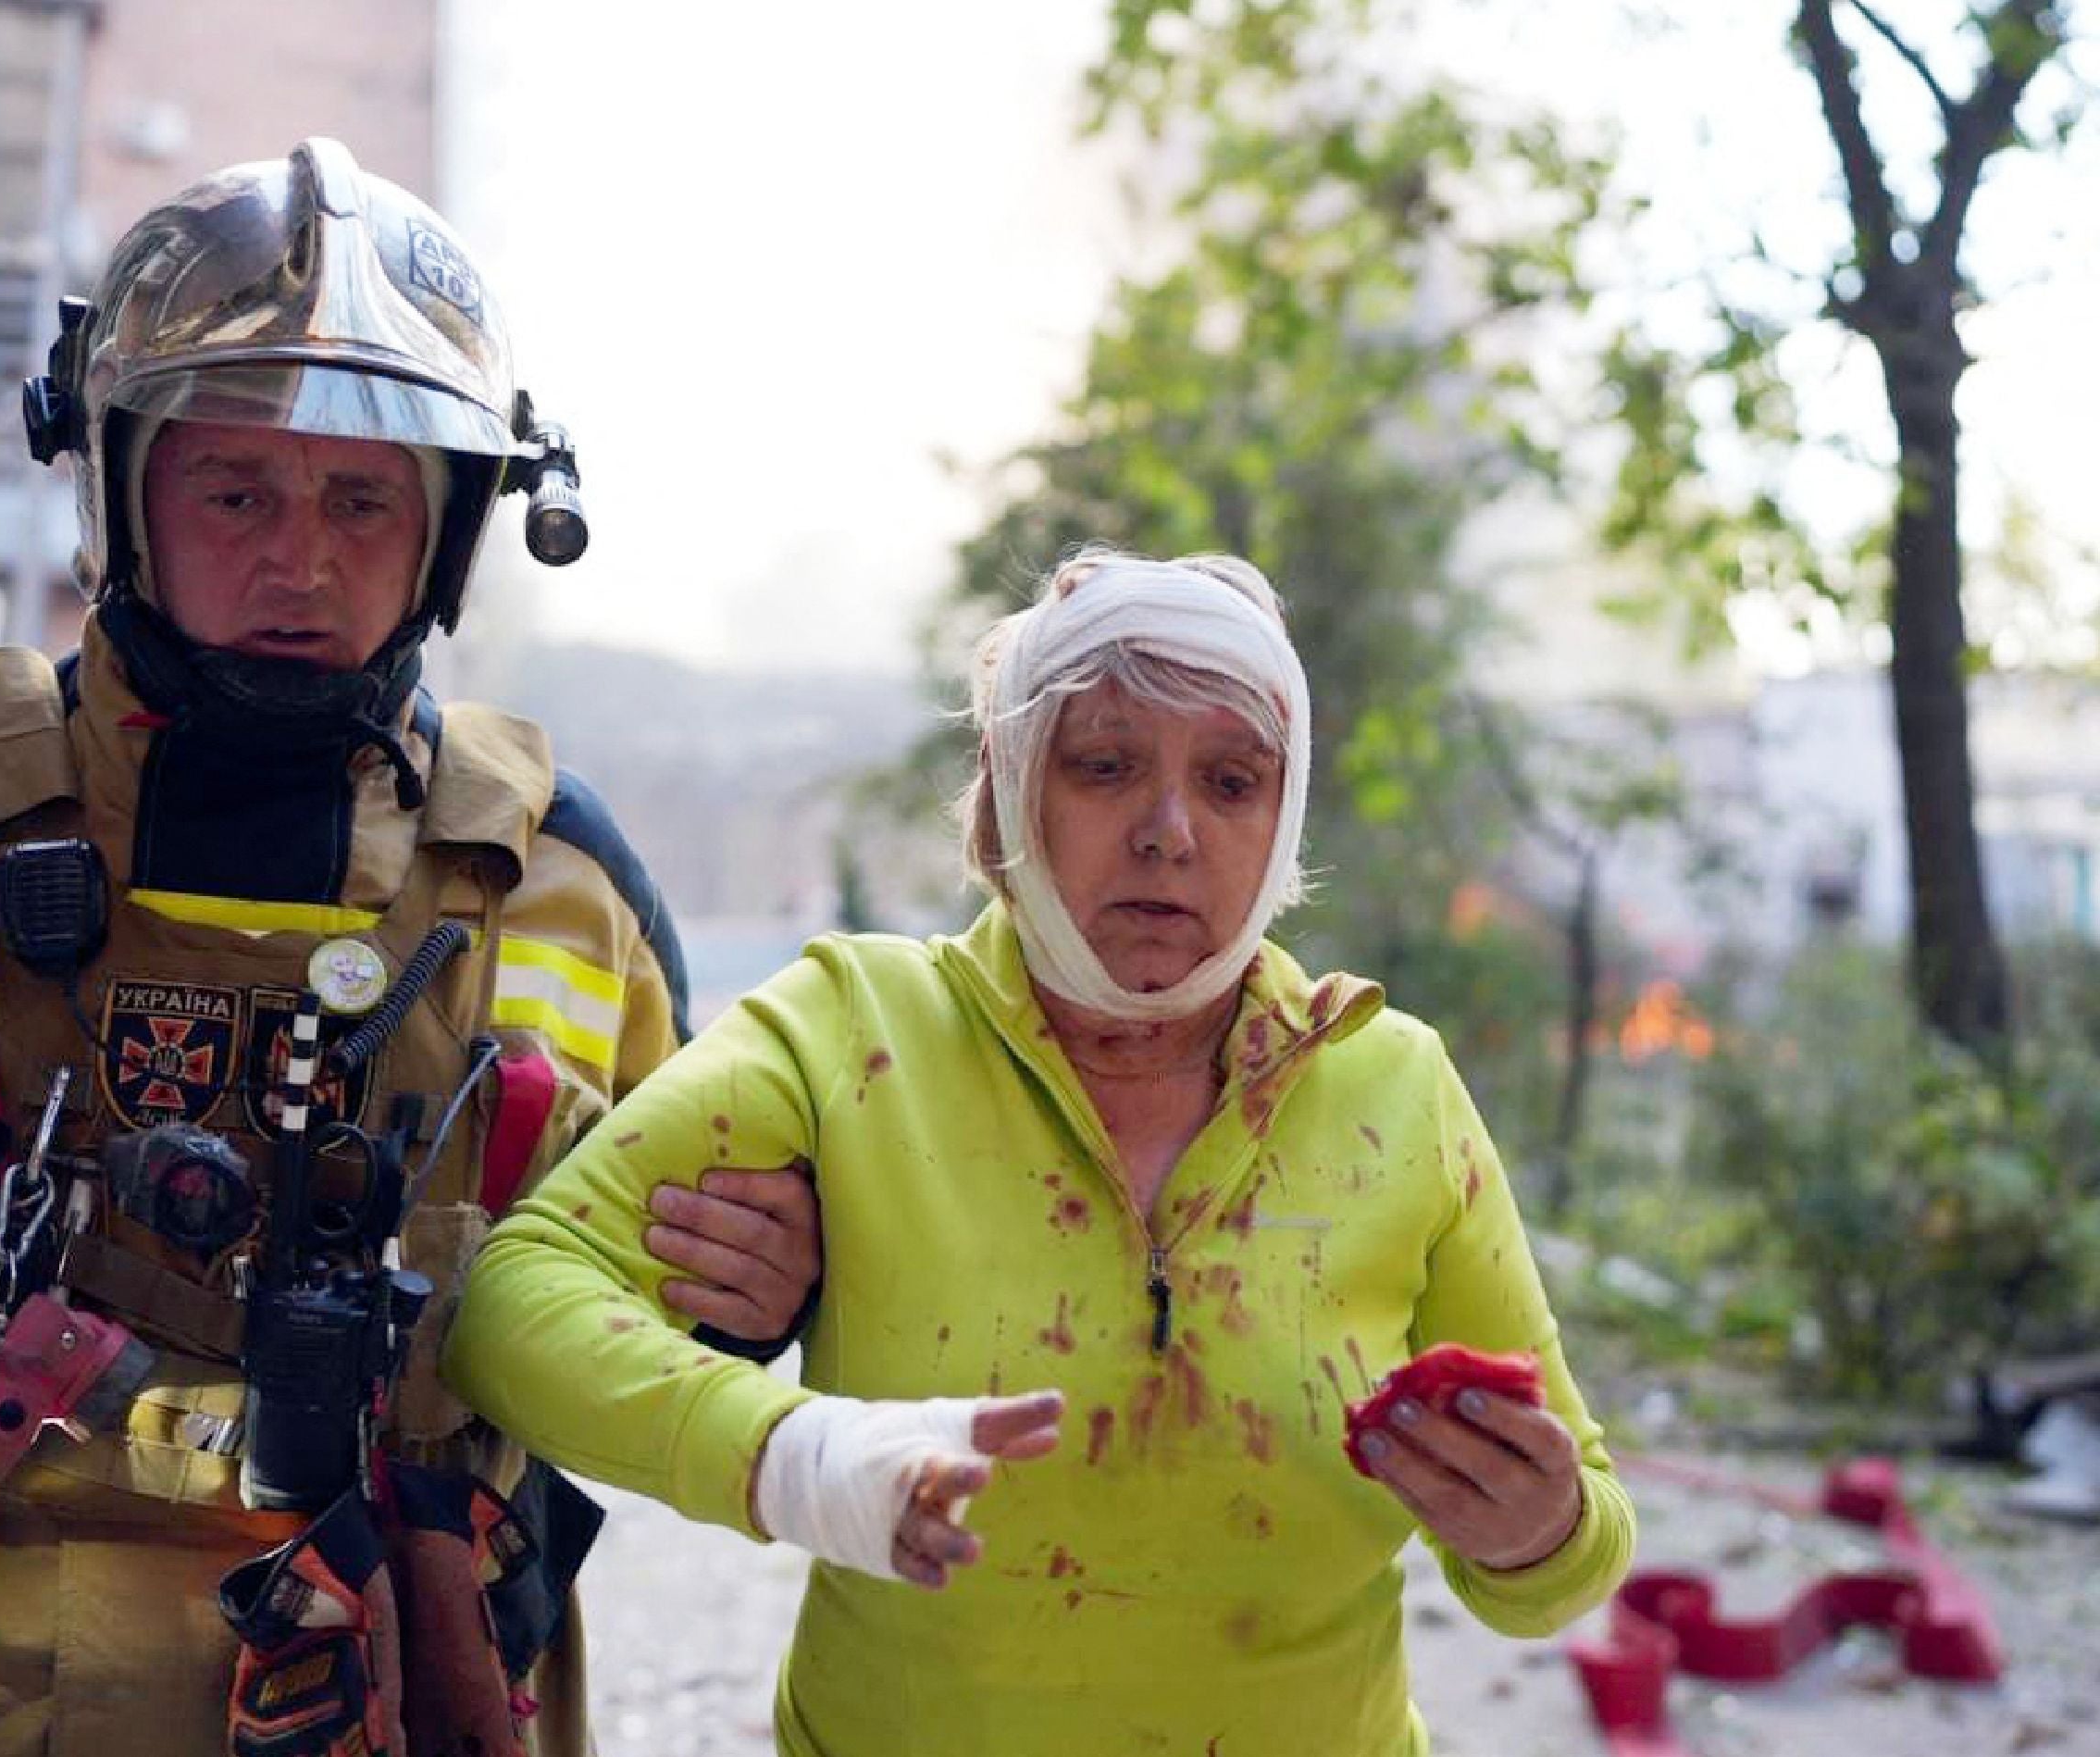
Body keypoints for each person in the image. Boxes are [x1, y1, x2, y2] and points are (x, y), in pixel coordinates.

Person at [0, 139, 817, 1757]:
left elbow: (680, 1325)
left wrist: (755, 1300)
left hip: (403, 1691)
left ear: (456, 526)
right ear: (119, 486)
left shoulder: (562, 890)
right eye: (237, 488)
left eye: (364, 499)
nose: (300, 560)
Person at [443, 549, 1637, 1755]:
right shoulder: (849, 1033)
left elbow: (1570, 1561)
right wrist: (794, 1454)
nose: (1169, 832)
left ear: (1286, 820)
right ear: (1009, 789)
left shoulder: (1394, 1083)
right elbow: (513, 1302)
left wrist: (1535, 1530)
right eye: (1106, 765)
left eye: (1233, 780)